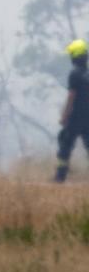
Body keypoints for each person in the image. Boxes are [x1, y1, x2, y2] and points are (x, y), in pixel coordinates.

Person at [57, 39, 89, 183]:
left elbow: (71, 96)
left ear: (75, 56)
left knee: (65, 144)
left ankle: (60, 177)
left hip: (75, 117)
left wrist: (65, 116)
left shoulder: (74, 74)